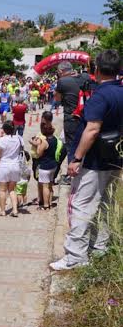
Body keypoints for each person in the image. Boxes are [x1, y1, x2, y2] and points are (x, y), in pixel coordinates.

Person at [51, 49, 122, 271]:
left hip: (93, 160)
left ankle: (75, 255)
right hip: (115, 157)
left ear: (96, 69)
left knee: (80, 206)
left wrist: (76, 158)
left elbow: (91, 130)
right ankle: (99, 247)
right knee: (104, 203)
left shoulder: (100, 95)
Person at [54, 61, 88, 163]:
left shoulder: (63, 81)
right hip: (87, 116)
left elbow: (57, 98)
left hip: (71, 117)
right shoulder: (85, 77)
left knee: (72, 146)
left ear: (61, 71)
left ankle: (71, 174)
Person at [0, 121, 24, 217]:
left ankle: (2, 210)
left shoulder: (1, 140)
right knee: (12, 189)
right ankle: (15, 210)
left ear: (4, 130)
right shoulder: (19, 139)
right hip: (15, 165)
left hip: (4, 165)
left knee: (2, 190)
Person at [30, 121, 59, 210]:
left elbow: (39, 153)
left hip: (45, 166)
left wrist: (38, 144)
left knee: (45, 186)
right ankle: (49, 202)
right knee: (50, 185)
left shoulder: (45, 142)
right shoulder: (54, 139)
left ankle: (45, 205)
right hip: (53, 164)